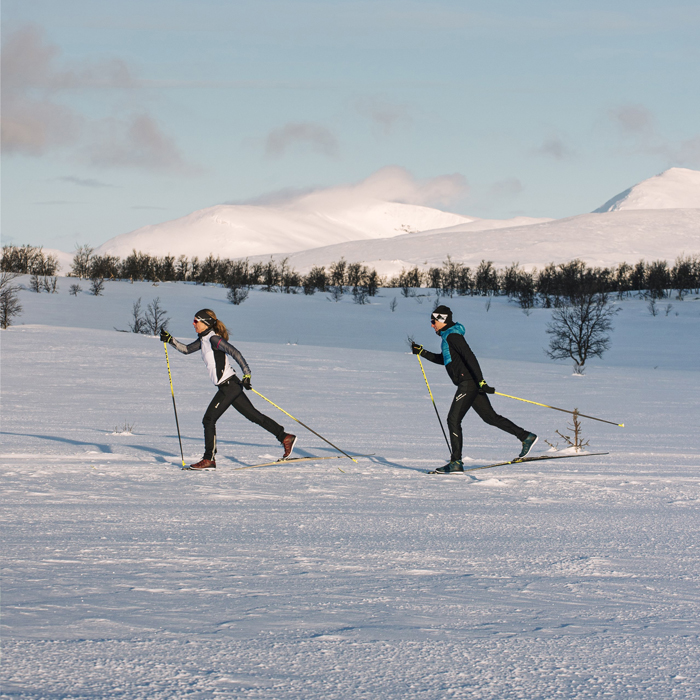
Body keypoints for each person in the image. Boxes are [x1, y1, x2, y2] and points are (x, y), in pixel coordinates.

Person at [161, 309, 296, 469]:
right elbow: (186, 350)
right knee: (254, 416)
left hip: (229, 386)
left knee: (209, 419)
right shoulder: (203, 340)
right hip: (229, 386)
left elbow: (235, 352)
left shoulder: (214, 339)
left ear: (205, 323)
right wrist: (170, 340)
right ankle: (285, 437)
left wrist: (247, 375)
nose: (193, 324)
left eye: (196, 321)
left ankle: (209, 459)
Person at [412, 305, 537, 473]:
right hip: (470, 383)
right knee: (490, 417)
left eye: (433, 321)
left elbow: (470, 357)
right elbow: (444, 359)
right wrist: (422, 352)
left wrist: (481, 382)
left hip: (468, 383)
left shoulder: (453, 336)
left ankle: (456, 462)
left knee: (453, 420)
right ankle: (525, 436)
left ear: (442, 320)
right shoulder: (448, 337)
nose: (432, 325)